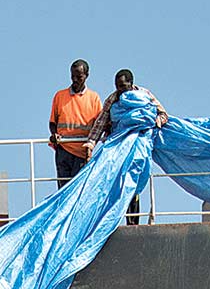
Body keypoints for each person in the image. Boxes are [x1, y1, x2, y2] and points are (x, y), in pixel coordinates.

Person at [89, 70, 166, 224]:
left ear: (131, 83)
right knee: (119, 182)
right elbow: (101, 122)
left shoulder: (145, 95)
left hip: (139, 145)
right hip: (120, 146)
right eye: (118, 86)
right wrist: (91, 143)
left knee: (134, 181)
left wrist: (156, 121)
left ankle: (133, 221)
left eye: (123, 86)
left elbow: (163, 114)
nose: (121, 90)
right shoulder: (112, 99)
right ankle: (115, 219)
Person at [49, 60, 102, 188]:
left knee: (78, 189)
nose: (75, 80)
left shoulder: (93, 98)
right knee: (63, 188)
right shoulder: (60, 96)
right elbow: (52, 122)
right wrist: (54, 134)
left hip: (82, 151)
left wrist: (92, 145)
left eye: (79, 77)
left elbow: (100, 125)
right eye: (73, 76)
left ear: (87, 75)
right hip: (63, 149)